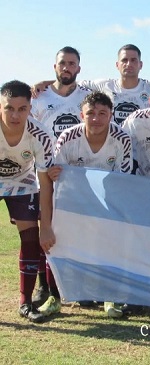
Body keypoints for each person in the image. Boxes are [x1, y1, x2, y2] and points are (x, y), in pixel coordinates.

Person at [43, 91, 133, 318]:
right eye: (91, 113)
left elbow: (124, 179)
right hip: (72, 202)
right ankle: (54, 296)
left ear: (111, 115)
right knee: (58, 245)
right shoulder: (68, 137)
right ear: (81, 114)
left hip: (107, 201)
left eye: (102, 113)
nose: (96, 118)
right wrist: (54, 174)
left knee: (110, 247)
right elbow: (58, 175)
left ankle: (110, 296)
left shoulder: (122, 139)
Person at [30, 46, 91, 306]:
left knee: (78, 230)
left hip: (76, 175)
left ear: (79, 68)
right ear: (54, 66)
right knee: (44, 229)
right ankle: (45, 287)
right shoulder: (38, 97)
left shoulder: (89, 94)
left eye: (72, 64)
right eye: (62, 63)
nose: (67, 67)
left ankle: (80, 287)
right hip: (45, 173)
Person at [0, 80, 55, 323]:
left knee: (32, 238)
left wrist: (46, 226)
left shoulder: (40, 135)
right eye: (9, 108)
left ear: (30, 108)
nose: (15, 115)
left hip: (22, 182)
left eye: (22, 109)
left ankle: (25, 302)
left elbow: (45, 184)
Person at [79, 44, 150, 125]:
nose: (129, 64)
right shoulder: (106, 85)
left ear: (141, 65)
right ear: (117, 65)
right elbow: (76, 85)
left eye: (133, 60)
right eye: (124, 60)